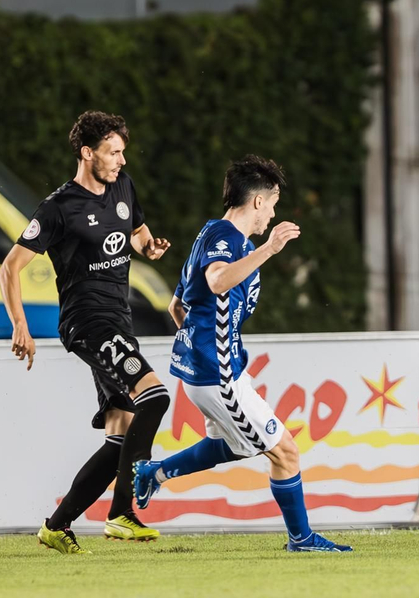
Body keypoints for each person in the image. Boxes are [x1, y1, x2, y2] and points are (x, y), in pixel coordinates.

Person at [129, 156, 352, 552]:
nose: (273, 213)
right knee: (285, 452)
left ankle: (154, 472)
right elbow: (216, 281)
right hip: (217, 375)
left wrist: (199, 343)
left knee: (231, 445)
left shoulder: (211, 234)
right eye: (274, 203)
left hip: (214, 370)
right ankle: (301, 539)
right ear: (258, 202)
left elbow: (176, 307)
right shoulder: (229, 240)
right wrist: (269, 250)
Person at [0, 111, 172, 554]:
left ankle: (56, 526)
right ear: (86, 153)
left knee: (122, 430)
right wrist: (20, 323)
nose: (121, 161)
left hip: (119, 320)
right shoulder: (58, 208)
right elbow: (10, 267)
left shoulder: (122, 187)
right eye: (113, 152)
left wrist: (148, 246)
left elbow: (136, 232)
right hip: (87, 322)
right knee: (154, 395)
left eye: (122, 152)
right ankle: (122, 513)